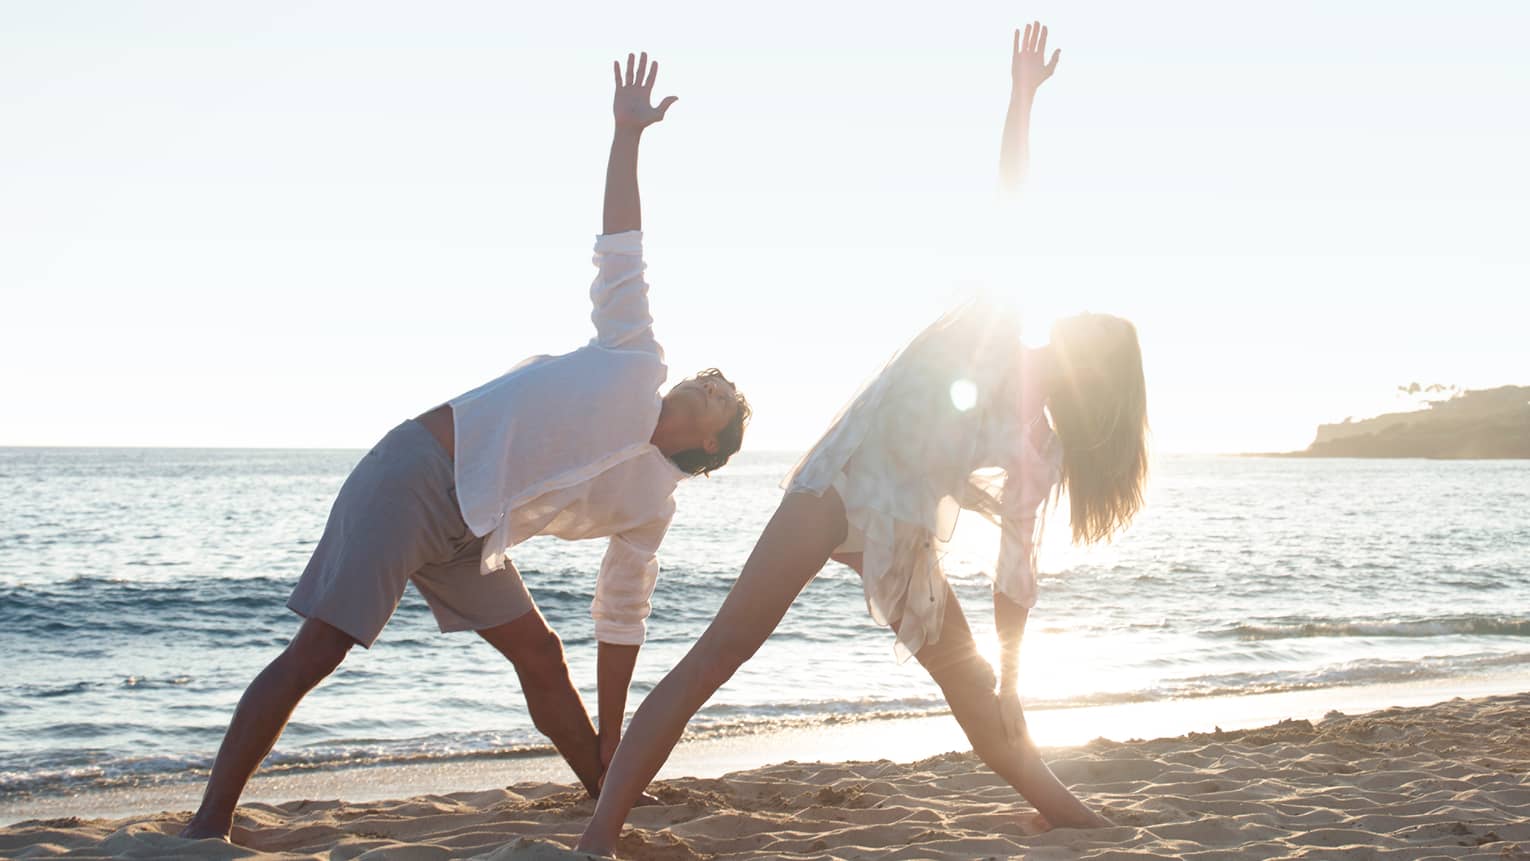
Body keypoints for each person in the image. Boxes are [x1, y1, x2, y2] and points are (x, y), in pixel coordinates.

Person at [577, 23, 1144, 854]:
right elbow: (1009, 202)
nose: (1066, 326)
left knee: (978, 694)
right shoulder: (998, 317)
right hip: (836, 493)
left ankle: (1072, 816)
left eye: (1080, 334)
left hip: (905, 538)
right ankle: (597, 839)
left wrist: (1018, 681)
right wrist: (1020, 101)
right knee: (715, 657)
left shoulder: (1041, 448)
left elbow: (1014, 573)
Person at [179, 52, 751, 842]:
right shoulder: (635, 355)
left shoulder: (653, 504)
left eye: (717, 395)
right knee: (320, 650)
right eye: (708, 380)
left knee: (542, 652)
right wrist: (628, 138)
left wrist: (618, 740)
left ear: (712, 438)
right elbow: (622, 246)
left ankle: (605, 788)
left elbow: (621, 617)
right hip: (417, 476)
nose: (701, 384)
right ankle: (209, 822)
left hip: (471, 530)